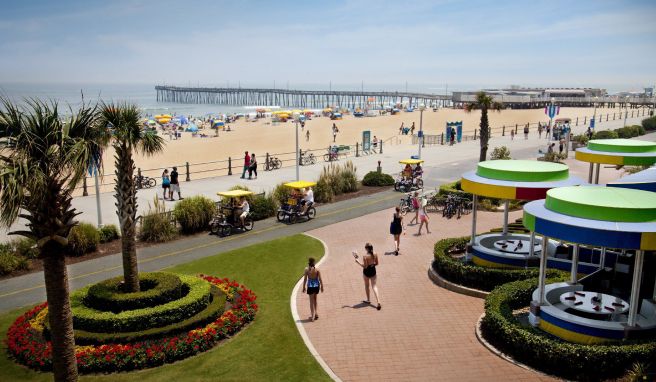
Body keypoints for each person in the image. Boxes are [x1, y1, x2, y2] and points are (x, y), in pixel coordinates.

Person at [353, 243, 381, 310]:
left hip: (366, 272)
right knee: (374, 286)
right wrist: (372, 265)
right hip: (373, 271)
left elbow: (365, 266)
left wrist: (358, 262)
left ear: (367, 248)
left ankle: (368, 299)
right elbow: (377, 263)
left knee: (367, 286)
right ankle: (378, 301)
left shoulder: (365, 256)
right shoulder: (375, 253)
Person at [302, 257, 324, 321]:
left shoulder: (306, 270)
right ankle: (316, 313)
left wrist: (303, 287)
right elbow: (320, 279)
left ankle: (312, 316)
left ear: (309, 262)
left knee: (311, 301)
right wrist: (322, 286)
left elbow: (305, 279)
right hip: (316, 286)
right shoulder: (317, 269)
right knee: (315, 300)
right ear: (314, 262)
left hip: (310, 286)